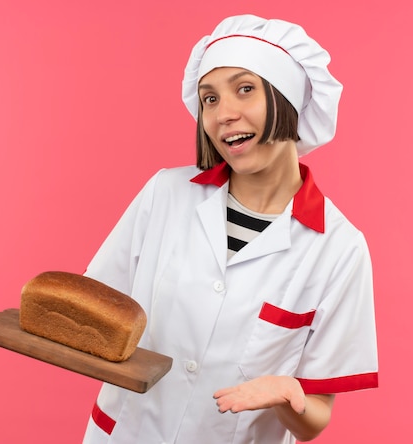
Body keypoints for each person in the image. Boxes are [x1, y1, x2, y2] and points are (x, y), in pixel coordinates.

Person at [82, 14, 378, 444]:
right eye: (210, 99)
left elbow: (316, 417)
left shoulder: (339, 249)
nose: (224, 114)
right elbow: (96, 305)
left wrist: (287, 394)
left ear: (287, 100)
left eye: (244, 89)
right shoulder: (165, 193)